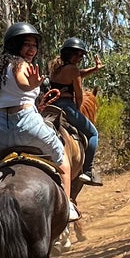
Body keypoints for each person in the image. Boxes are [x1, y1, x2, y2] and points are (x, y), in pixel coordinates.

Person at [0, 22, 79, 222]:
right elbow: (22, 82)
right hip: (27, 124)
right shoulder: (21, 64)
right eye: (27, 44)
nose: (32, 49)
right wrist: (30, 85)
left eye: (34, 45)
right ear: (16, 46)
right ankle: (67, 206)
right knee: (62, 159)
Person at [48, 36, 104, 186]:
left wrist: (94, 69)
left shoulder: (57, 67)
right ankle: (87, 171)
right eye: (78, 54)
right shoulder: (72, 69)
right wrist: (78, 109)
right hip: (66, 105)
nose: (80, 58)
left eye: (81, 55)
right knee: (93, 134)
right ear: (70, 54)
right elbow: (79, 95)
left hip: (50, 105)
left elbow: (78, 74)